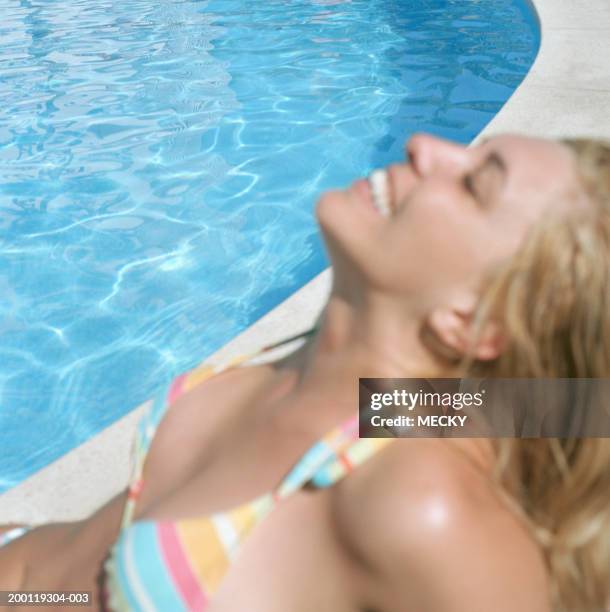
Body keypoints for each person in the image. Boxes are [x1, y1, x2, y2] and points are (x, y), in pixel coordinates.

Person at [1, 133, 609, 612]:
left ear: (473, 317)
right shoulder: (344, 377)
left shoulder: (422, 508)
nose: (424, 145)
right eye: (471, 150)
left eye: (475, 183)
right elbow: (70, 584)